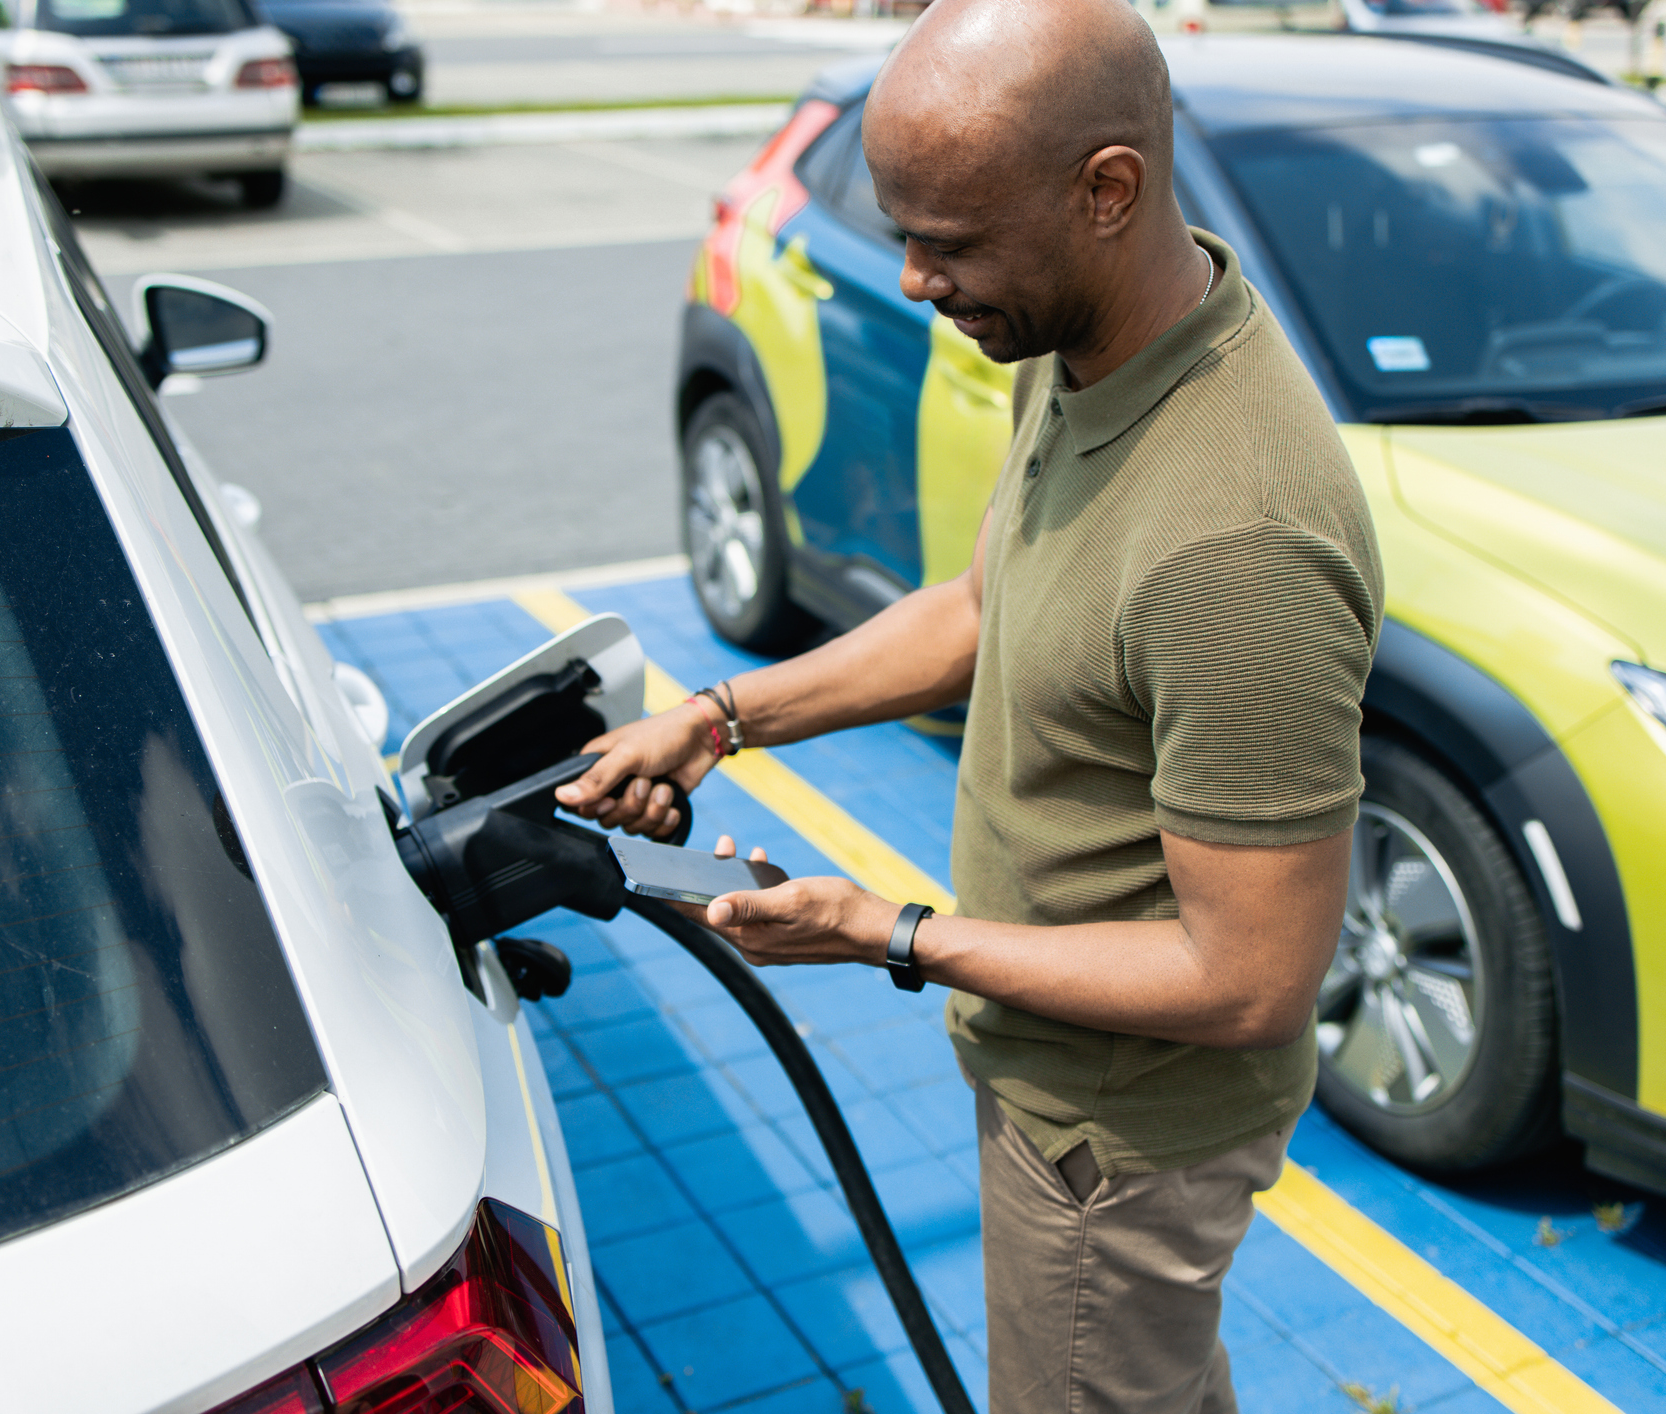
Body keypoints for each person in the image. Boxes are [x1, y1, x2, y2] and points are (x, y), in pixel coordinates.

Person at [555, 0, 1383, 1407]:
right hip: (1054, 1075)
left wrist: (888, 931)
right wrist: (718, 717)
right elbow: (992, 605)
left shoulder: (1236, 532)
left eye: (950, 240)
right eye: (904, 233)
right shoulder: (1090, 341)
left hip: (1109, 1147)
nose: (919, 280)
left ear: (1107, 189)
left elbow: (1250, 979)